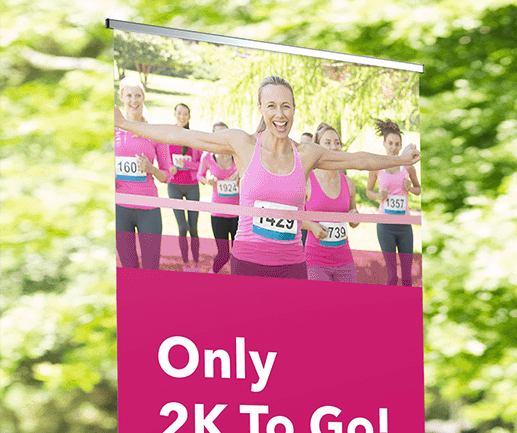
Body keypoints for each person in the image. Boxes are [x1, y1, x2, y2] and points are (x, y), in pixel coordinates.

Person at [114, 76, 420, 280]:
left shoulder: (307, 154)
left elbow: (357, 159)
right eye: (271, 105)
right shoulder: (243, 144)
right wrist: (125, 125)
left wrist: (400, 160)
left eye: (286, 106)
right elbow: (176, 134)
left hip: (293, 265)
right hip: (248, 263)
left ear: (294, 110)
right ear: (261, 109)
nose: (280, 113)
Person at [114, 76, 170, 270]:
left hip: (149, 209)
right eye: (129, 95)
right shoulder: (113, 131)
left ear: (143, 98)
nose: (134, 100)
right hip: (121, 209)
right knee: (128, 267)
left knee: (151, 266)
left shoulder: (154, 132)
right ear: (121, 96)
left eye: (138, 95)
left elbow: (166, 176)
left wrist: (151, 169)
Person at [367, 118, 420, 286]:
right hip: (385, 226)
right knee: (391, 277)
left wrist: (410, 188)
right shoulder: (376, 167)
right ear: (384, 143)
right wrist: (378, 196)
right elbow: (369, 191)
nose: (394, 147)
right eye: (390, 143)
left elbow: (419, 190)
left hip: (405, 226)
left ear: (401, 145)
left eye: (397, 144)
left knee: (407, 277)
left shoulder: (408, 167)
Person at [305, 123, 361, 283]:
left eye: (337, 142)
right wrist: (312, 226)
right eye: (328, 142)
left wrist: (354, 217)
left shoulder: (349, 183)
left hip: (344, 259)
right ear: (318, 147)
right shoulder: (307, 180)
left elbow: (353, 221)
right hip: (316, 260)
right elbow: (292, 217)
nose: (334, 146)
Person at [198, 122, 241, 274]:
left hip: (238, 214)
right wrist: (206, 181)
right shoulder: (207, 156)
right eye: (218, 134)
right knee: (223, 254)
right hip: (218, 214)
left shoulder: (238, 156)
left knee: (239, 254)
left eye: (225, 133)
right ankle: (212, 274)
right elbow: (199, 175)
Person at [166, 103, 203, 271]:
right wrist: (169, 168)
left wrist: (187, 163)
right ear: (174, 114)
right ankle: (185, 263)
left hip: (192, 187)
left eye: (185, 114)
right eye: (179, 113)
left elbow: (201, 164)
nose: (182, 116)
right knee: (183, 227)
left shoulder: (193, 138)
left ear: (189, 117)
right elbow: (163, 160)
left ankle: (196, 262)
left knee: (194, 228)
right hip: (174, 186)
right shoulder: (168, 136)